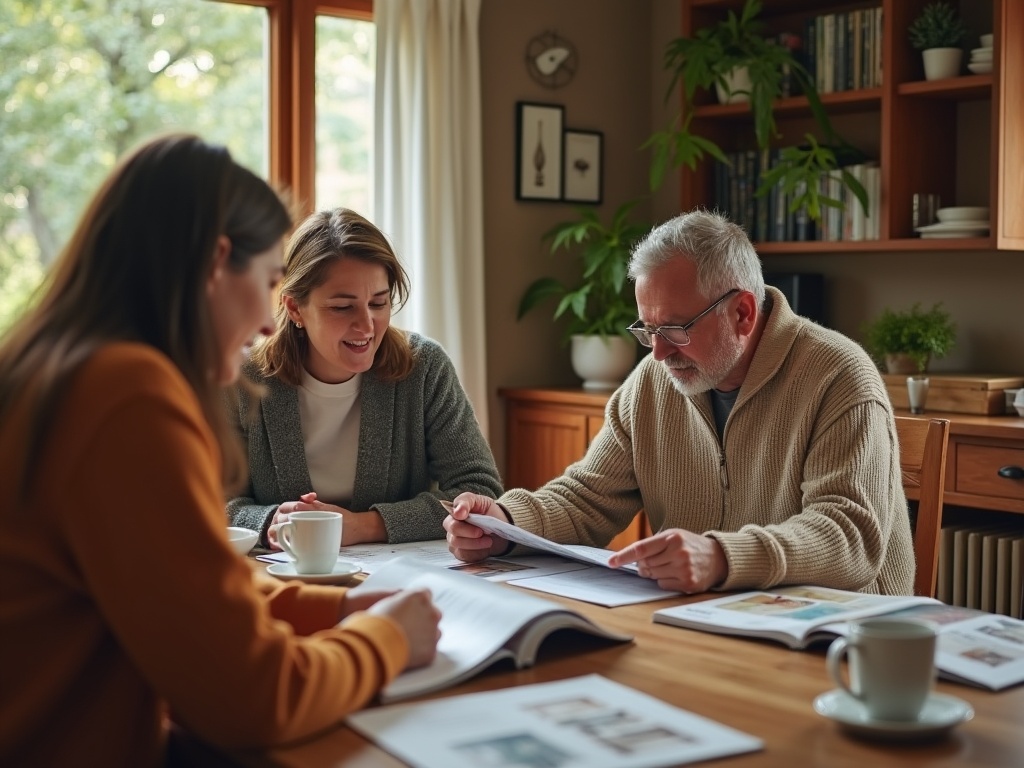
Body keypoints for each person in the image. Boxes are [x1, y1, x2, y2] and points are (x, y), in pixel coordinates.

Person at [0, 134, 442, 768]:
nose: (266, 325)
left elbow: (185, 585)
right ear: (215, 262)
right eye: (266, 282)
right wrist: (386, 640)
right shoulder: (129, 395)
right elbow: (253, 699)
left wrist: (337, 607)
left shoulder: (53, 369)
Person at [445, 209, 915, 597]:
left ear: (742, 313)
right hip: (711, 620)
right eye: (648, 330)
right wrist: (504, 525)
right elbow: (587, 498)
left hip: (842, 635)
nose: (659, 352)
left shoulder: (839, 375)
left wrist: (721, 557)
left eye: (674, 329)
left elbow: (849, 538)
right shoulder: (654, 380)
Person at [227, 207, 502, 549]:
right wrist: (269, 523)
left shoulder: (425, 368)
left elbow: (480, 492)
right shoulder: (244, 378)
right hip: (278, 577)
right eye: (343, 307)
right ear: (295, 308)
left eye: (378, 303)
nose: (367, 326)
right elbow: (206, 501)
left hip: (399, 576)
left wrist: (363, 526)